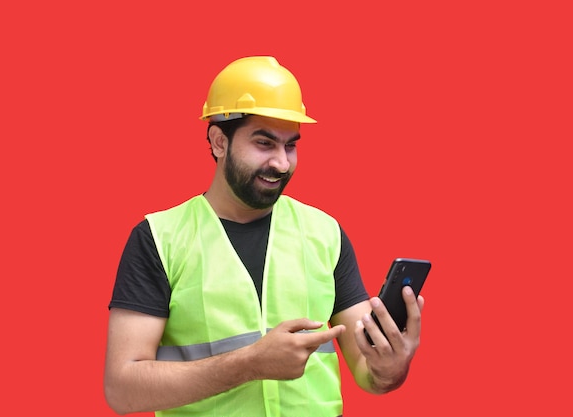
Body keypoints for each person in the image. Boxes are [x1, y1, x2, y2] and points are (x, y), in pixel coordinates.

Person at [104, 56, 425, 417]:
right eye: (264, 143)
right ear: (218, 141)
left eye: (290, 145)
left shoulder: (325, 233)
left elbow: (370, 374)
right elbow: (122, 388)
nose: (282, 163)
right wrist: (249, 364)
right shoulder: (158, 238)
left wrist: (390, 368)